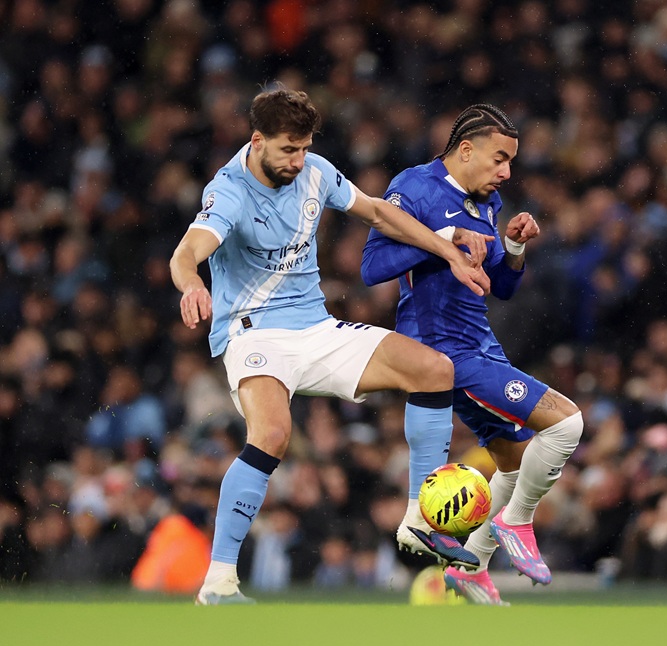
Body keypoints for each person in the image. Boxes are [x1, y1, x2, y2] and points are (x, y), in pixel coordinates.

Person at [170, 88, 495, 605]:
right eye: (287, 151)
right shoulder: (229, 190)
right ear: (257, 142)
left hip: (315, 328)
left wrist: (444, 247)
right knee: (272, 433)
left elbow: (378, 214)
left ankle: (417, 518)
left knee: (435, 369)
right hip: (253, 332)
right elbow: (187, 253)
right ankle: (219, 582)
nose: (298, 161)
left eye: (304, 148)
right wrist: (191, 283)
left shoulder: (315, 171)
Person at [361, 103, 584, 605]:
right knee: (567, 425)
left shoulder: (487, 200)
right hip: (441, 351)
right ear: (466, 150)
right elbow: (372, 266)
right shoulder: (415, 187)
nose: (506, 172)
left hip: (479, 343)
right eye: (499, 159)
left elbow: (500, 285)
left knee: (514, 462)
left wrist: (513, 245)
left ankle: (472, 567)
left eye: (511, 162)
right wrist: (443, 239)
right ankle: (515, 523)